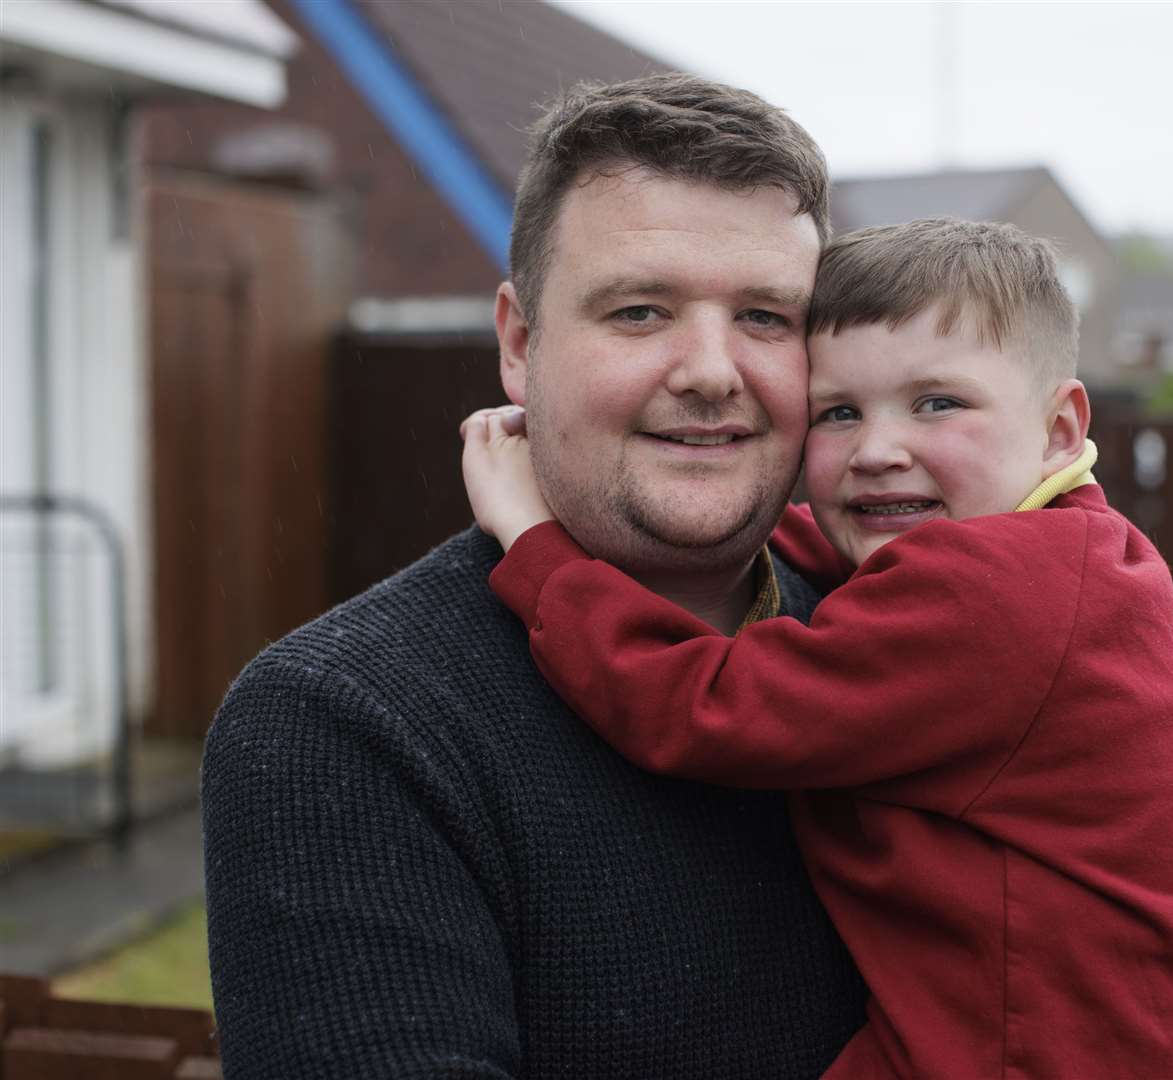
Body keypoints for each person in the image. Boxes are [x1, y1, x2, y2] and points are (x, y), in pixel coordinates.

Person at [464, 218, 1173, 1078]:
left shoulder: (994, 598)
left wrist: (537, 547)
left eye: (938, 404)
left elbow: (707, 709)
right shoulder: (1073, 551)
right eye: (839, 413)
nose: (879, 452)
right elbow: (848, 550)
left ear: (1060, 428)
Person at [200, 74, 868, 1079]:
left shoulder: (893, 655)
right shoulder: (343, 726)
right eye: (639, 311)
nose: (710, 370)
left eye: (766, 318)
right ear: (519, 343)